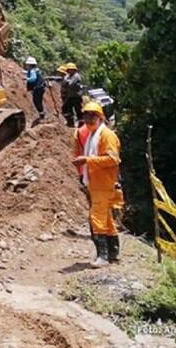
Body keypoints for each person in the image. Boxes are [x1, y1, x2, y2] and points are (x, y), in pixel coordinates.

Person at [72, 102, 122, 267]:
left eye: (91, 116)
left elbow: (113, 159)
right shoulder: (92, 135)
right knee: (106, 219)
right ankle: (113, 253)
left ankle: (103, 256)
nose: (88, 119)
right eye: (86, 116)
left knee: (97, 219)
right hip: (96, 183)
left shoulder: (107, 136)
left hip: (104, 183)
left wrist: (87, 160)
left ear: (100, 117)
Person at [61, 63, 83, 127]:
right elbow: (63, 83)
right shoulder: (68, 76)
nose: (70, 71)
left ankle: (81, 123)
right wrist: (66, 81)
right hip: (69, 96)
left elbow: (71, 84)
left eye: (71, 69)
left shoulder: (76, 76)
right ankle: (70, 123)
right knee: (68, 110)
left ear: (74, 70)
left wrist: (66, 82)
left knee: (78, 110)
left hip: (76, 96)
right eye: (69, 69)